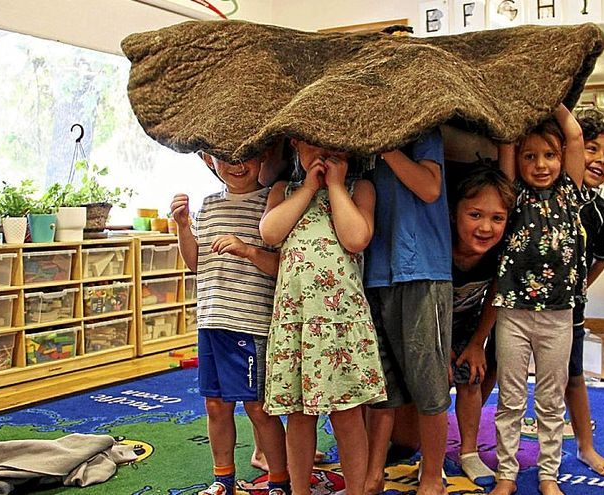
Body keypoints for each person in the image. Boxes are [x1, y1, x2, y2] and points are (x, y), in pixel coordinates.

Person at [259, 139, 386, 495]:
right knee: (299, 414)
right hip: (297, 323)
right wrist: (310, 187)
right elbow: (270, 233)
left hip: (340, 324)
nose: (324, 155)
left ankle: (357, 490)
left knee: (348, 413)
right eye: (313, 146)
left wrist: (333, 186)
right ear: (296, 144)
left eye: (334, 147)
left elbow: (356, 238)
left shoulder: (359, 189)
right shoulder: (284, 190)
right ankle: (300, 489)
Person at [170, 151, 289, 495]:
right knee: (215, 405)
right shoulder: (207, 205)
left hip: (249, 322)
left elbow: (282, 265)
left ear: (263, 157)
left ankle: (278, 481)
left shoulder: (272, 201)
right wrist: (183, 226)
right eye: (225, 157)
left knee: (258, 407)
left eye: (247, 155)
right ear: (209, 159)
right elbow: (196, 262)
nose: (237, 164)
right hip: (211, 319)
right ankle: (223, 480)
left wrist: (248, 250)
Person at [492, 104, 586, 495]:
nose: (541, 164)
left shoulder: (570, 192)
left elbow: (577, 135)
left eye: (549, 155)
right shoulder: (512, 194)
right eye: (530, 157)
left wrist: (552, 101)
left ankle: (549, 475)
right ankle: (506, 476)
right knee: (510, 400)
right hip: (513, 313)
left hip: (558, 314)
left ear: (562, 158)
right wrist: (520, 104)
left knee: (550, 399)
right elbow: (507, 141)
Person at [363, 128, 452, 495]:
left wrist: (386, 149)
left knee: (428, 382)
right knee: (381, 384)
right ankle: (373, 473)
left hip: (423, 270)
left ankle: (432, 474)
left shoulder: (423, 133)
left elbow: (430, 188)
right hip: (373, 272)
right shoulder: (356, 142)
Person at [448, 165, 516, 486]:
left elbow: (495, 295)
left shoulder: (498, 252)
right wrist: (439, 347)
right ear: (453, 213)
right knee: (431, 383)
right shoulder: (441, 247)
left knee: (471, 379)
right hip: (430, 323)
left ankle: (469, 452)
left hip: (468, 320)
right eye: (475, 215)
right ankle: (430, 453)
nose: (486, 227)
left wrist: (477, 342)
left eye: (497, 219)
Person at [564, 108, 604, 476]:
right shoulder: (553, 192)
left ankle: (586, 445)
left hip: (567, 307)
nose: (600, 160)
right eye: (592, 148)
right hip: (518, 303)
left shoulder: (603, 213)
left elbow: (599, 260)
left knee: (574, 375)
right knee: (491, 367)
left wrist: (576, 289)